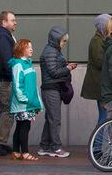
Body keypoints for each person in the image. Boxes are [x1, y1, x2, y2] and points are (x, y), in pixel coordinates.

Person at [38, 26, 75, 158]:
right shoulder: (51, 52)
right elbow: (54, 72)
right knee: (55, 120)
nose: (64, 43)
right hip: (51, 89)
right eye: (63, 41)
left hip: (53, 88)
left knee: (50, 119)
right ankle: (55, 148)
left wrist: (66, 67)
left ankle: (44, 146)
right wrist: (68, 68)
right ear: (56, 39)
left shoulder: (54, 51)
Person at [9, 39, 43, 162]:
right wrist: (25, 99)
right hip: (23, 104)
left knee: (20, 127)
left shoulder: (28, 64)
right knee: (24, 127)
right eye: (28, 47)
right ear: (22, 49)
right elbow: (18, 84)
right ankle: (25, 152)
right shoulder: (18, 64)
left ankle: (16, 151)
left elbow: (32, 86)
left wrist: (36, 101)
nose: (31, 49)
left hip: (27, 103)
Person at [0, 11, 18, 156]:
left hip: (4, 78)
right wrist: (12, 73)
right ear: (4, 22)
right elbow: (6, 59)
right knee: (8, 109)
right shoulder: (3, 36)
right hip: (4, 80)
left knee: (5, 109)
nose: (15, 22)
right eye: (12, 20)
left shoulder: (5, 36)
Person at [81, 14, 112, 126]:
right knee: (103, 117)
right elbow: (99, 61)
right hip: (100, 84)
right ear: (103, 25)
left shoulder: (103, 39)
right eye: (109, 24)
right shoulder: (96, 41)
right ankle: (96, 143)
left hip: (102, 84)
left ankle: (97, 142)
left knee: (104, 116)